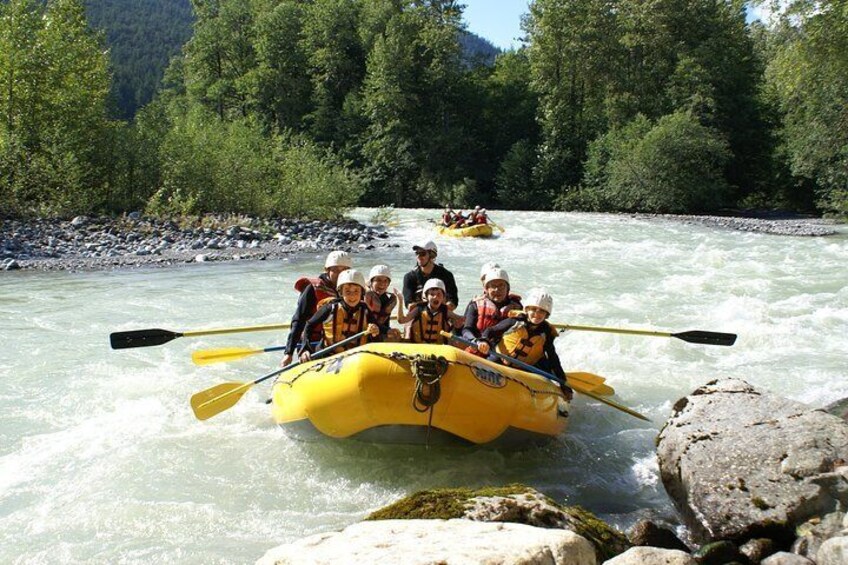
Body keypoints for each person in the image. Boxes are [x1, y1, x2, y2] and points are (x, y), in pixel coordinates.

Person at [483, 288, 573, 399]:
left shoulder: (547, 333)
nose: (537, 314)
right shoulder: (514, 322)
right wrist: (484, 341)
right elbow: (491, 331)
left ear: (546, 315)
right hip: (500, 359)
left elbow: (552, 357)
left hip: (525, 367)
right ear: (527, 310)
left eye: (542, 311)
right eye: (533, 309)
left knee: (544, 373)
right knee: (484, 367)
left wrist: (563, 382)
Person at [282, 250, 352, 366]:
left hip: (336, 340)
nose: (340, 274)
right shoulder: (312, 288)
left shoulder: (351, 290)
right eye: (336, 270)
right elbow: (299, 319)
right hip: (311, 341)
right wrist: (289, 352)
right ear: (327, 270)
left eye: (345, 270)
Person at [298, 269, 380, 362]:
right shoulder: (330, 308)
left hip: (355, 357)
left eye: (356, 291)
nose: (352, 296)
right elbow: (309, 325)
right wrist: (304, 349)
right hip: (327, 356)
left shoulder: (365, 310)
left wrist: (375, 330)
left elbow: (377, 330)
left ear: (362, 293)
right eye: (347, 291)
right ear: (340, 292)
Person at [461, 267, 522, 356]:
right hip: (479, 346)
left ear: (507, 288)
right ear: (486, 289)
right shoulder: (475, 305)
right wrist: (475, 341)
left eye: (501, 285)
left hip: (504, 354)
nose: (497, 290)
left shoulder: (517, 307)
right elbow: (466, 329)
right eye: (493, 286)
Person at [402, 241, 459, 312]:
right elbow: (408, 303)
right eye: (417, 253)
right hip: (418, 314)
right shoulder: (409, 277)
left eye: (422, 254)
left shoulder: (446, 275)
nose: (419, 257)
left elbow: (453, 301)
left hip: (442, 313)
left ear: (432, 255)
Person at [397, 278, 453, 344]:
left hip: (438, 348)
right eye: (432, 294)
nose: (435, 297)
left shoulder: (446, 311)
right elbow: (401, 320)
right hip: (419, 346)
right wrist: (400, 300)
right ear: (426, 296)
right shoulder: (418, 309)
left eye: (439, 294)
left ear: (443, 297)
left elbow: (460, 321)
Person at [365, 264, 401, 341]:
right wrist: (387, 330)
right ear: (371, 282)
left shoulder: (388, 299)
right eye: (378, 280)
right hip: (365, 331)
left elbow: (385, 321)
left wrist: (390, 331)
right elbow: (369, 320)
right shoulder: (365, 297)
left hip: (379, 331)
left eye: (385, 281)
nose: (382, 284)